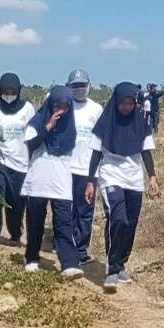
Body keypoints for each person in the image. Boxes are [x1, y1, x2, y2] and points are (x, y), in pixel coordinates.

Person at [86, 82, 161, 293]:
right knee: (117, 217)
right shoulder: (105, 123)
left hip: (133, 179)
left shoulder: (141, 124)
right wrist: (90, 181)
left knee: (130, 224)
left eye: (131, 103)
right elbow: (95, 154)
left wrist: (152, 177)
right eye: (123, 103)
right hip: (110, 175)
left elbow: (146, 153)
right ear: (116, 101)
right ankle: (112, 268)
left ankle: (121, 263)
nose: (127, 107)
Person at [21, 86, 84, 280]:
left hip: (61, 180)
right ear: (51, 104)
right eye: (57, 106)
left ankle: (69, 263)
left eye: (65, 107)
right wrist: (47, 127)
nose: (61, 111)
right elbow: (30, 144)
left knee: (64, 221)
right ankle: (32, 257)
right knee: (36, 220)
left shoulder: (71, 128)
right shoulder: (36, 123)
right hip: (39, 178)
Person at [0, 73, 35, 253]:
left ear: (18, 91)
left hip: (20, 162)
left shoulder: (27, 109)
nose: (9, 94)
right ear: (0, 90)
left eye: (13, 91)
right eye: (6, 91)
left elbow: (32, 135)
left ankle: (15, 232)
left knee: (17, 204)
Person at [66, 69, 103, 264]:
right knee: (66, 208)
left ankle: (81, 249)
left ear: (89, 85)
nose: (79, 89)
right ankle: (65, 243)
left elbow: (102, 139)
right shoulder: (64, 106)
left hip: (88, 168)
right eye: (75, 86)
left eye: (82, 85)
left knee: (85, 211)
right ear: (69, 87)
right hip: (65, 167)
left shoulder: (96, 110)